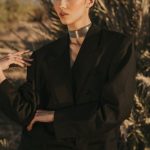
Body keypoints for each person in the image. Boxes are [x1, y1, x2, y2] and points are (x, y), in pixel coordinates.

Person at [0, 0, 136, 150]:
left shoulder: (117, 46)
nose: (61, 5)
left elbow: (115, 110)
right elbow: (27, 113)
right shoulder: (44, 55)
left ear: (89, 2)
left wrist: (55, 116)